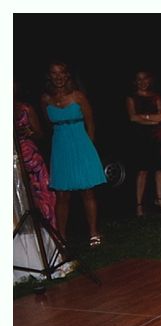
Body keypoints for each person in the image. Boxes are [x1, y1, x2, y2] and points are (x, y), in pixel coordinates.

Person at [41, 61, 106, 247]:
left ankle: (94, 233)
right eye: (54, 74)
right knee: (62, 194)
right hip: (60, 145)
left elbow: (91, 123)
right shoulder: (45, 99)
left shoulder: (78, 96)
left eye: (61, 73)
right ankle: (62, 236)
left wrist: (89, 147)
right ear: (49, 76)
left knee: (87, 190)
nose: (58, 77)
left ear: (67, 75)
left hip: (81, 143)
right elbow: (47, 124)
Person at [15, 82, 57, 233]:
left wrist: (30, 133)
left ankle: (49, 239)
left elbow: (40, 134)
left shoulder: (26, 109)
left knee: (43, 199)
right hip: (14, 163)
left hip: (32, 161)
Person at [126, 71, 161, 217]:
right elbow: (133, 117)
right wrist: (152, 119)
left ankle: (160, 199)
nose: (142, 82)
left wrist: (144, 118)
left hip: (157, 136)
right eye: (139, 79)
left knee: (159, 168)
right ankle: (139, 205)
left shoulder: (156, 97)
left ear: (149, 80)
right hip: (140, 137)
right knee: (142, 170)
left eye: (145, 79)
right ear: (135, 82)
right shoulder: (132, 98)